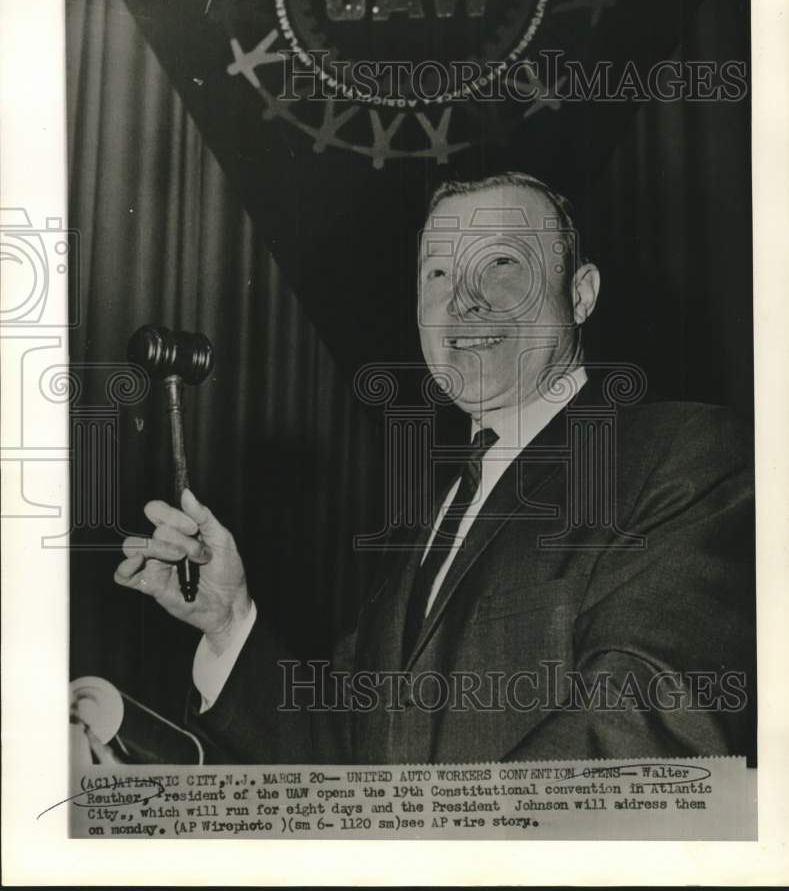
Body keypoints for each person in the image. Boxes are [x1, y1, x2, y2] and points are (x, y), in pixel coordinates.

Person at [116, 172, 755, 764]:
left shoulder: (681, 455)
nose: (464, 299)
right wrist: (230, 621)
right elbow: (350, 769)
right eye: (439, 274)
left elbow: (650, 730)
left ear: (581, 294)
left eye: (501, 264)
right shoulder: (428, 523)